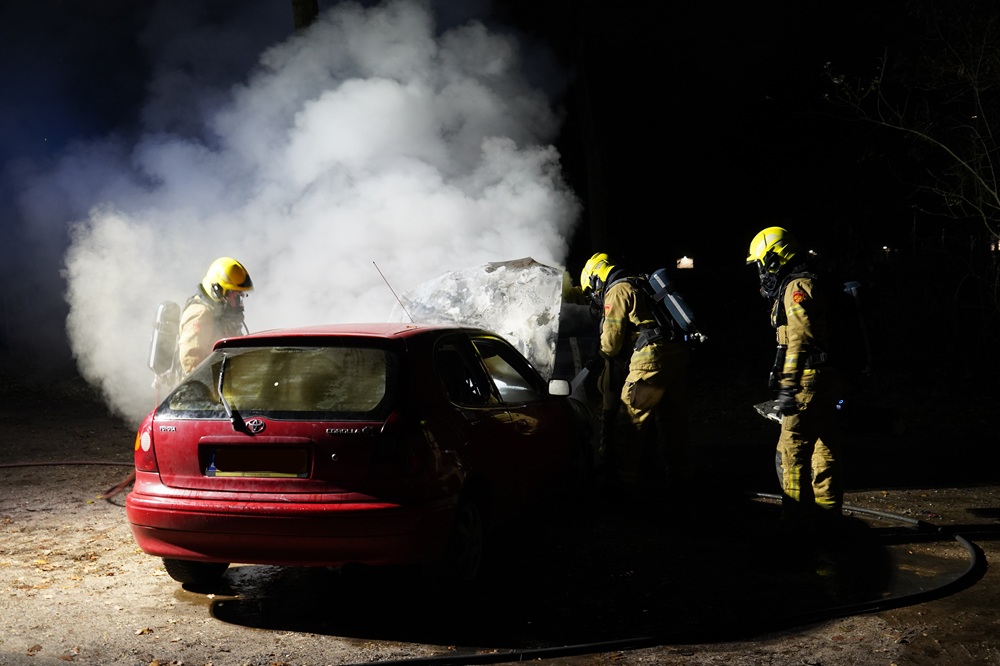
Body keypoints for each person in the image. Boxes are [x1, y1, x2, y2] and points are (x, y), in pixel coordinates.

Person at [746, 227, 844, 537]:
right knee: (823, 448)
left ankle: (796, 527)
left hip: (809, 379)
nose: (761, 273)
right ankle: (828, 519)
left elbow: (800, 337)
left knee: (790, 453)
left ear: (775, 259)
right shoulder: (813, 279)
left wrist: (788, 386)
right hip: (828, 376)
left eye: (762, 264)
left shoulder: (796, 287)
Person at [579, 252, 691, 495]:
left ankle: (622, 485)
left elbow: (610, 344)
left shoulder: (617, 291)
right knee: (672, 422)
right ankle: (679, 478)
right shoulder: (638, 282)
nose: (595, 298)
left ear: (596, 279)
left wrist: (598, 352)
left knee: (629, 421)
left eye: (592, 291)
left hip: (651, 360)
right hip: (676, 354)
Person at [177, 257, 254, 376]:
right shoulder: (200, 314)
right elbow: (192, 365)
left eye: (240, 296)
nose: (238, 302)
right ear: (217, 291)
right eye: (235, 295)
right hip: (203, 391)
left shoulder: (222, 316)